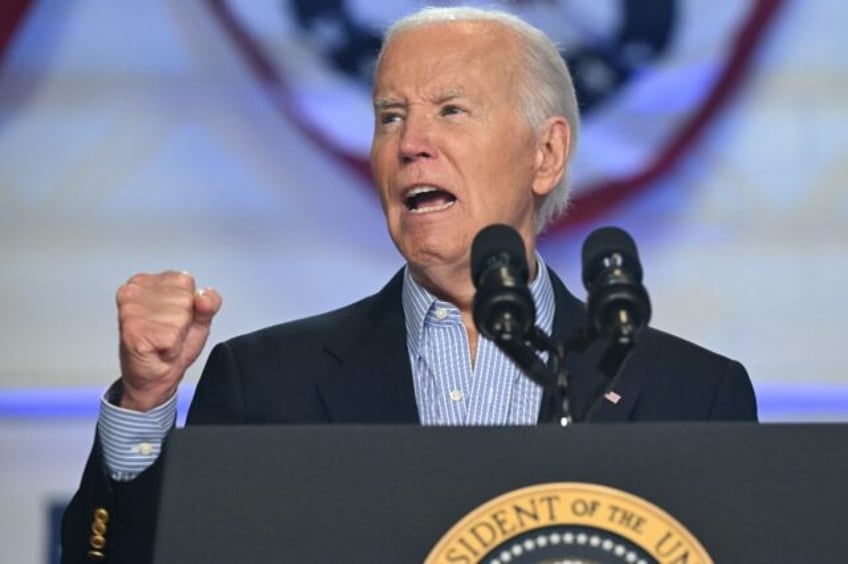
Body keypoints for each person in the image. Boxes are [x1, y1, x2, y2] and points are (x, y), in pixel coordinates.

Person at [60, 6, 757, 563]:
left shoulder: (692, 393)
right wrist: (146, 405)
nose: (409, 143)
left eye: (451, 110)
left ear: (546, 154)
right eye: (390, 116)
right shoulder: (265, 383)